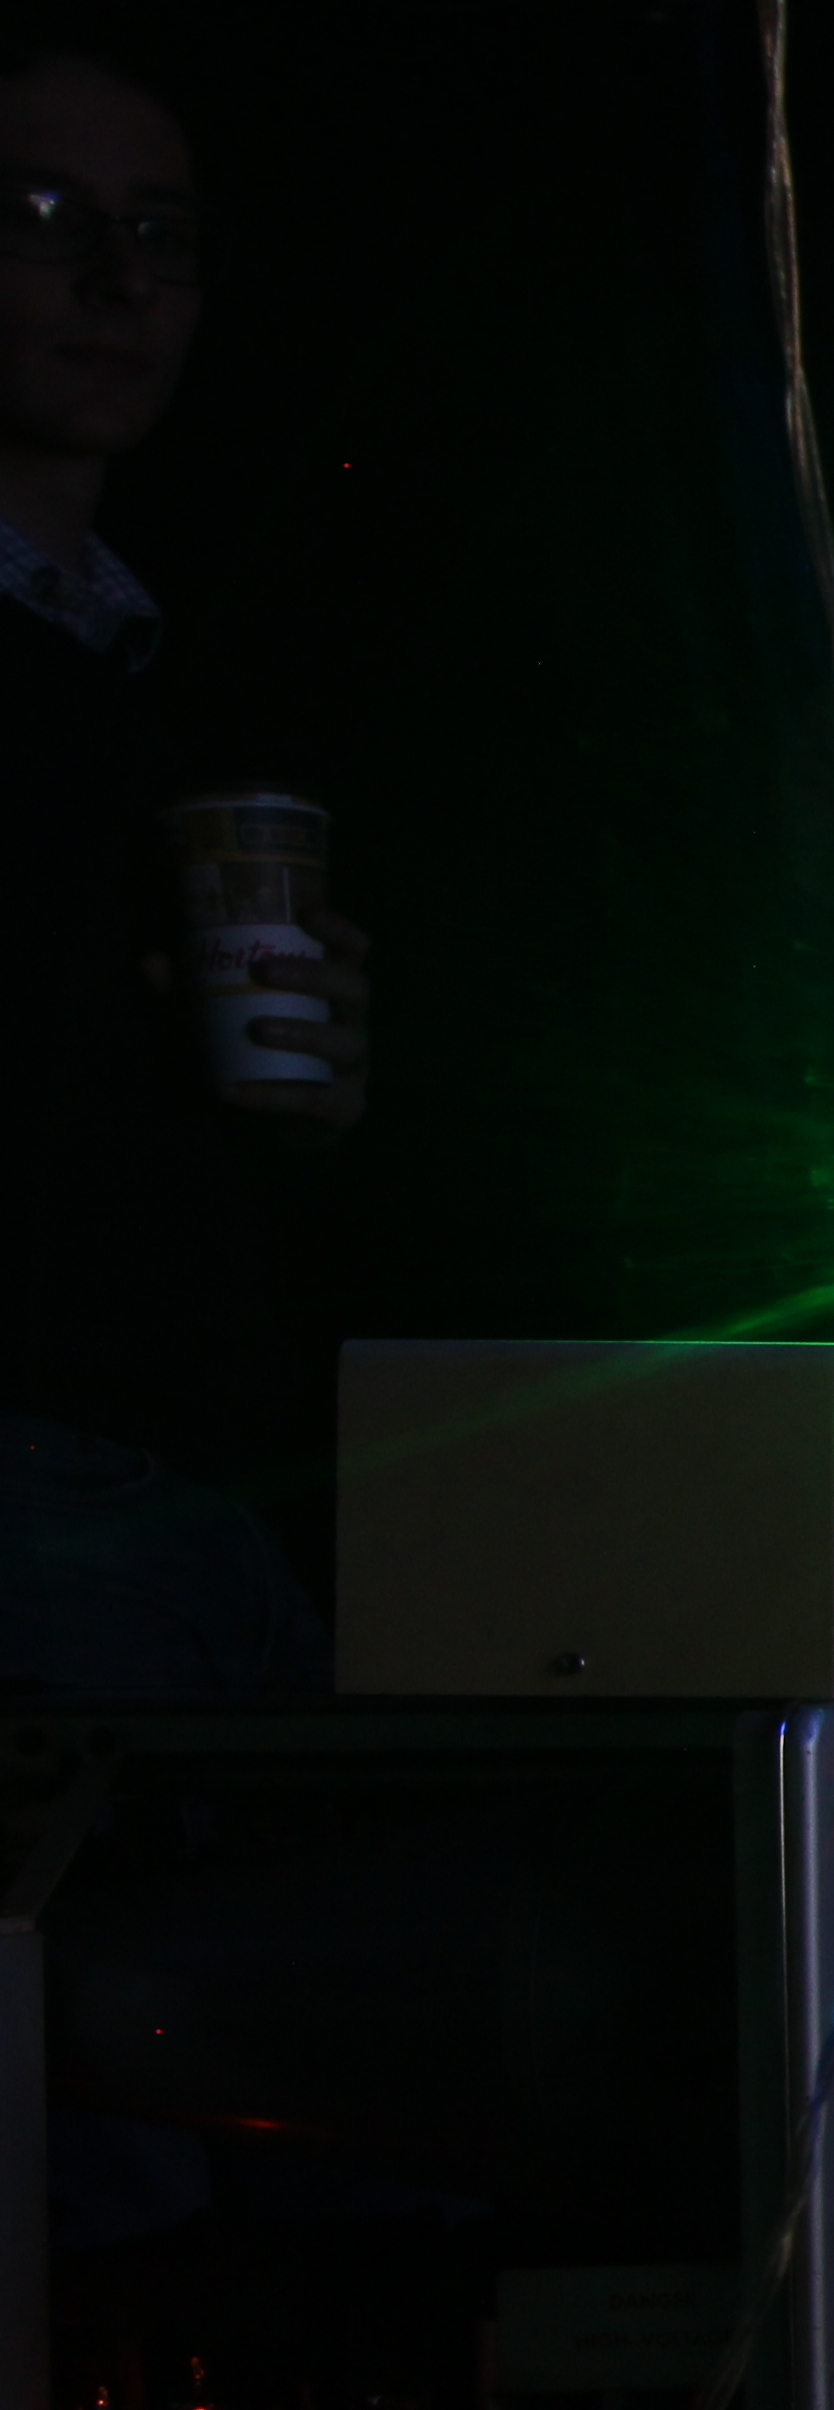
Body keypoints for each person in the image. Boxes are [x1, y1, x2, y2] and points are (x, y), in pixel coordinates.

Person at [0, 29, 375, 1696]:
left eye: (159, 233)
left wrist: (298, 1103)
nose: (116, 277)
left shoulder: (156, 669)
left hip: (203, 1497)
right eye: (42, 213)